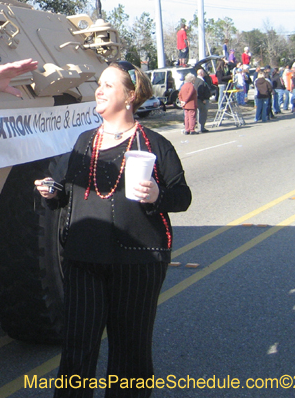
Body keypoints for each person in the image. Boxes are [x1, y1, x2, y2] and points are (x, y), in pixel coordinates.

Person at [34, 61, 191, 398]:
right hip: (84, 258)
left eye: (108, 85)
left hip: (139, 262)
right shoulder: (84, 142)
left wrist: (157, 194)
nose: (99, 91)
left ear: (130, 95)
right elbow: (65, 193)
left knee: (130, 354)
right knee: (77, 350)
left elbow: (182, 196)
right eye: (99, 84)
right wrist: (51, 191)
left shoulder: (154, 144)